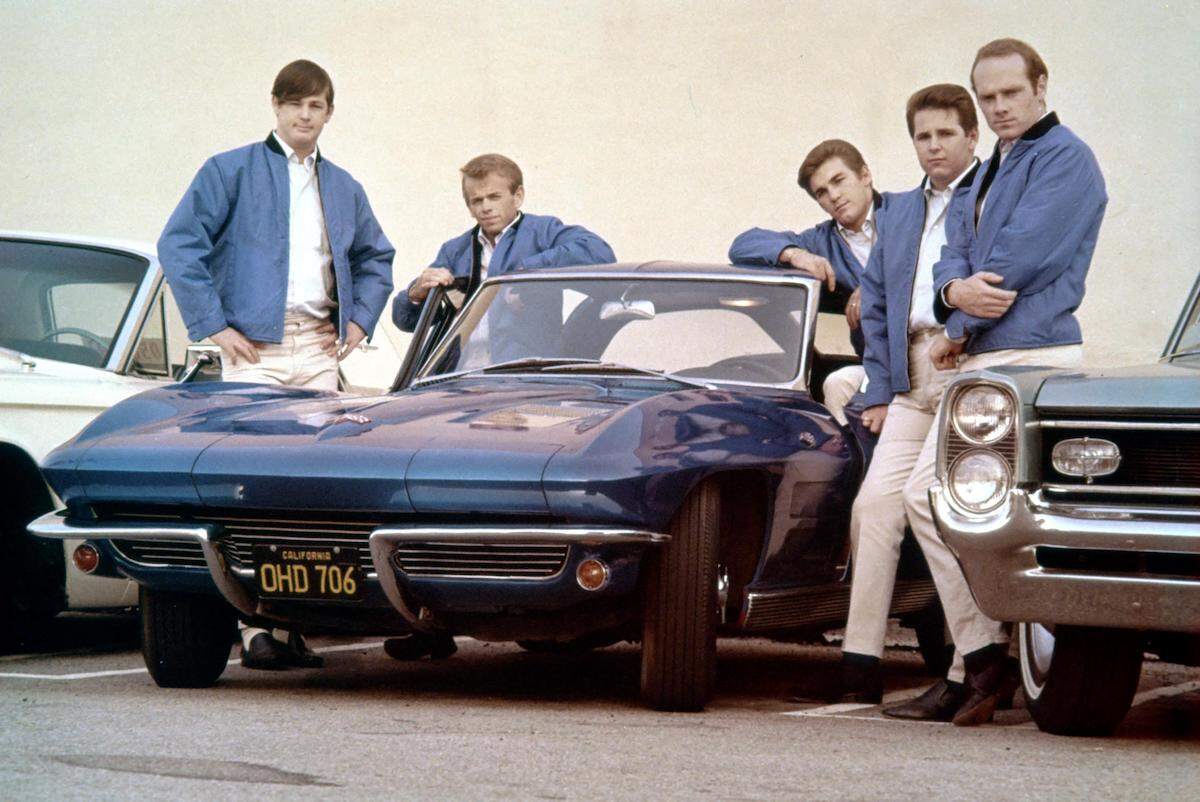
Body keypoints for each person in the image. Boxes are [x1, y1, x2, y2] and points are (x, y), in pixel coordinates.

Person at [157, 59, 395, 670]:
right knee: (248, 486)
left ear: (329, 113)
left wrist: (361, 320)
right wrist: (212, 324)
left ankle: (292, 628)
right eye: (294, 104)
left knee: (310, 488)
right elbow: (179, 242)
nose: (304, 115)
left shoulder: (342, 185)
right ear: (276, 106)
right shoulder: (229, 169)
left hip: (318, 349)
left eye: (315, 106)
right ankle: (252, 629)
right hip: (254, 352)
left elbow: (376, 256)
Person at [906, 38, 1107, 725]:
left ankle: (996, 662)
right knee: (930, 500)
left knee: (965, 505)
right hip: (985, 362)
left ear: (1041, 87)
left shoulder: (1067, 160)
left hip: (1032, 360)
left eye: (1010, 94)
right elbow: (952, 256)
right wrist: (952, 292)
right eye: (987, 98)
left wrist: (955, 320)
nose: (997, 109)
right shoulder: (992, 166)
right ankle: (983, 660)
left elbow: (1011, 263)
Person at [823, 84, 982, 714]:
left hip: (965, 358)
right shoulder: (900, 213)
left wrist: (964, 336)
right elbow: (882, 303)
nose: (934, 145)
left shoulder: (986, 195)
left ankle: (975, 662)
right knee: (873, 509)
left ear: (971, 137)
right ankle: (861, 664)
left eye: (945, 133)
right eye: (923, 136)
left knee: (944, 507)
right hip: (913, 365)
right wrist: (884, 385)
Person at [728, 140, 890, 422]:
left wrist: (877, 282)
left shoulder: (907, 212)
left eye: (839, 181)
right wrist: (795, 254)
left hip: (935, 354)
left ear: (865, 175)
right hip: (879, 367)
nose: (834, 196)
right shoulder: (821, 242)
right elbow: (743, 244)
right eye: (822, 193)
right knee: (836, 386)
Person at [391, 153, 615, 332]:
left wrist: (524, 271)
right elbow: (406, 323)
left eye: (494, 197)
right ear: (469, 207)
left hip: (519, 374)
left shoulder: (543, 231)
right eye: (477, 200)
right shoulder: (455, 250)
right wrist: (415, 293)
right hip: (456, 372)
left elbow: (599, 252)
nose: (485, 207)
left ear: (517, 196)